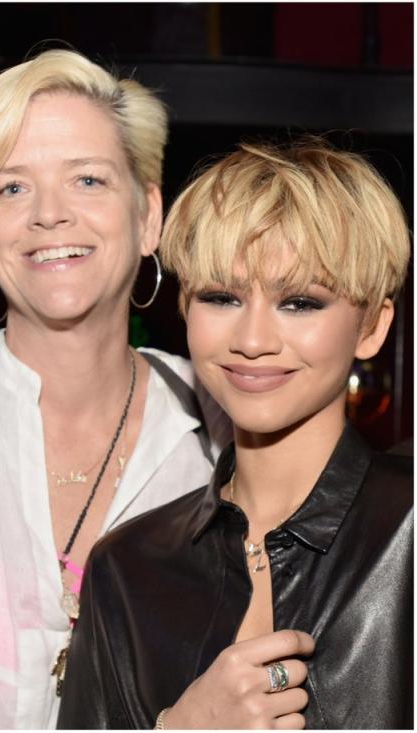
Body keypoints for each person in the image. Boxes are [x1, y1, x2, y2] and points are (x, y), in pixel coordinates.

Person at [57, 140, 412, 729]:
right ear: (185, 308)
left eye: (300, 302)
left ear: (372, 326)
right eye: (221, 296)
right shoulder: (127, 566)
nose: (252, 338)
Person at [0, 49, 230, 729]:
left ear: (148, 214)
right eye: (11, 187)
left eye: (88, 180)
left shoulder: (225, 428)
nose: (49, 215)